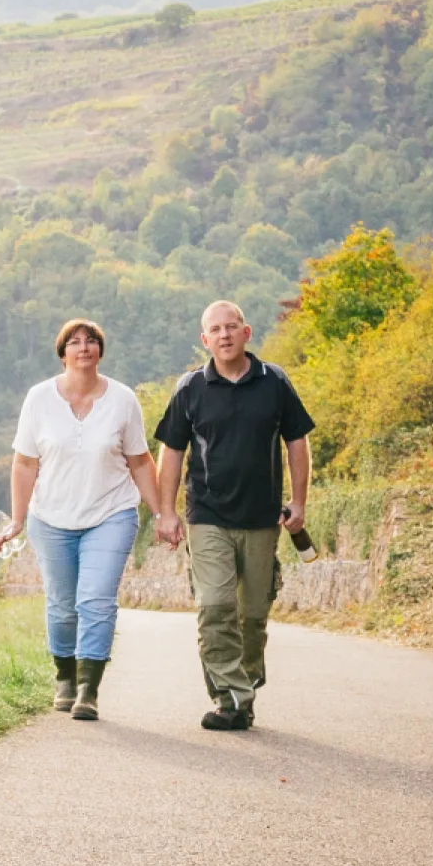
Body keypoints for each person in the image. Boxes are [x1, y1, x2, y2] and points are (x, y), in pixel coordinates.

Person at [152, 299, 315, 731]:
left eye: (231, 327)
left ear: (246, 332)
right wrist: (165, 511)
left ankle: (243, 693)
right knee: (215, 605)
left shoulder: (274, 382)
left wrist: (299, 502)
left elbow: (297, 443)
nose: (224, 335)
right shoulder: (190, 388)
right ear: (205, 341)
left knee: (253, 614)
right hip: (207, 515)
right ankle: (230, 697)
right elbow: (170, 452)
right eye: (214, 330)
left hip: (263, 518)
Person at [3, 318, 161, 720]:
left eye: (91, 341)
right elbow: (24, 464)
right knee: (62, 604)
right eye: (74, 342)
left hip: (110, 512)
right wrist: (17, 520)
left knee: (96, 600)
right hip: (51, 517)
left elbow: (140, 461)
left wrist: (163, 512)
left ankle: (89, 691)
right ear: (62, 354)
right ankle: (65, 679)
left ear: (100, 351)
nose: (83, 347)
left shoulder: (123, 399)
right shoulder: (38, 399)